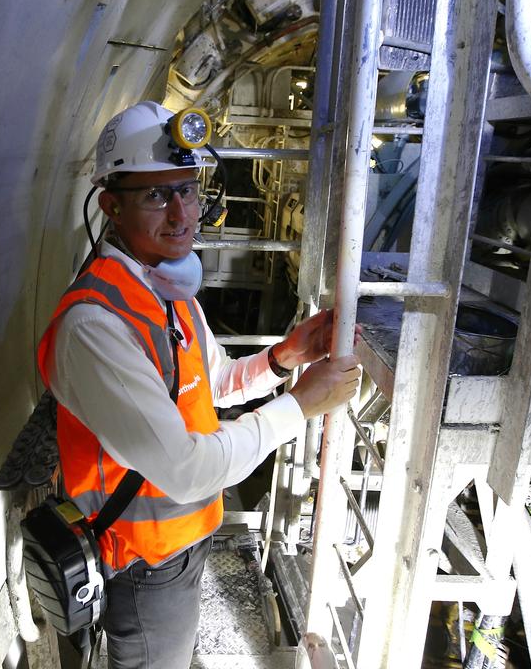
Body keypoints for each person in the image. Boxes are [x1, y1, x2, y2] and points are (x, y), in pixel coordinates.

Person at [36, 101, 361, 668]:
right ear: (110, 206)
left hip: (178, 548)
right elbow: (188, 470)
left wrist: (283, 358)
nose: (181, 213)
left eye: (187, 190)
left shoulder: (163, 292)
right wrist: (301, 405)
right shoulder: (95, 326)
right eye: (156, 195)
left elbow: (210, 385)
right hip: (140, 567)